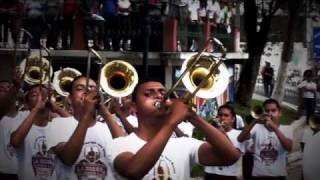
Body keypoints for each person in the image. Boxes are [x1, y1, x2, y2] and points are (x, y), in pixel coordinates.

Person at [107, 78, 240, 179]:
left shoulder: (184, 143)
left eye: (163, 93)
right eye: (148, 94)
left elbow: (231, 156)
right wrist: (171, 123)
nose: (159, 96)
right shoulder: (119, 144)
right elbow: (133, 171)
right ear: (134, 107)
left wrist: (192, 116)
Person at [46, 75, 125, 179]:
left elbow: (124, 149)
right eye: (80, 88)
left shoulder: (108, 127)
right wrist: (87, 113)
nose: (87, 91)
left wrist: (104, 111)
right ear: (70, 98)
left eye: (92, 88)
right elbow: (68, 158)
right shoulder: (57, 124)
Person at [10, 84, 57, 180]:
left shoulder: (57, 123)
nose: (41, 97)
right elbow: (15, 142)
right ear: (27, 103)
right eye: (34, 95)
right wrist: (36, 109)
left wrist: (57, 108)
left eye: (43, 94)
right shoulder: (19, 118)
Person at [238, 99, 293, 180]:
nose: (270, 113)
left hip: (279, 175)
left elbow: (289, 147)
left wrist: (274, 128)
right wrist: (254, 121)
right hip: (258, 175)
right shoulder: (257, 127)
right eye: (267, 111)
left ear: (279, 113)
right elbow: (240, 139)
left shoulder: (287, 129)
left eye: (273, 110)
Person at [204, 104, 245, 180]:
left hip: (228, 175)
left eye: (226, 115)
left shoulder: (239, 134)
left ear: (232, 119)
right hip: (211, 173)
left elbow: (234, 153)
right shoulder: (212, 132)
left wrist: (223, 132)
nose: (222, 118)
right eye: (220, 115)